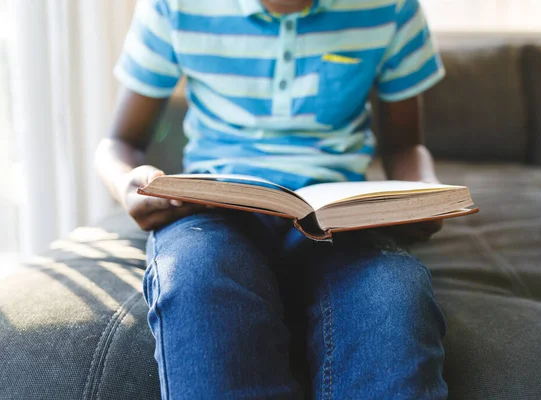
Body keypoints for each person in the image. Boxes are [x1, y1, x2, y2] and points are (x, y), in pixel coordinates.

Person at [95, 0, 448, 398]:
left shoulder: (392, 7)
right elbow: (120, 142)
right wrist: (127, 184)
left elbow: (406, 145)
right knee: (195, 278)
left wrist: (424, 192)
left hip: (336, 216)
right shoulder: (172, 6)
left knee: (394, 293)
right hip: (215, 209)